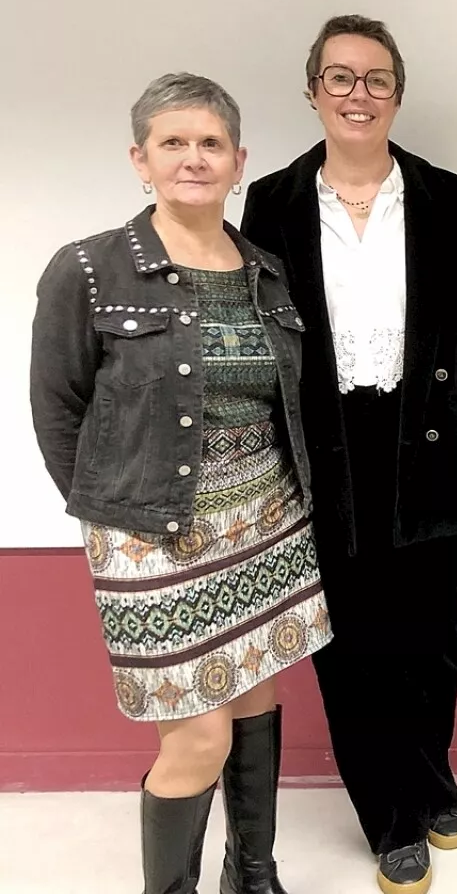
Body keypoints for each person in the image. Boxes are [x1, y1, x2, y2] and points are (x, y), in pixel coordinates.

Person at [239, 15, 457, 894]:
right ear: (313, 91)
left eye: (375, 79)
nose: (357, 94)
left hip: (428, 442)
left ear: (398, 93)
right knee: (352, 645)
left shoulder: (449, 196)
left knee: (435, 637)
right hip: (327, 454)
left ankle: (430, 778)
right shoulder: (275, 204)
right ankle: (392, 817)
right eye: (339, 77)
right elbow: (258, 343)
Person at [30, 73, 329, 894]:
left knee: (255, 702)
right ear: (140, 158)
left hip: (265, 524)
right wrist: (115, 519)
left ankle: (253, 875)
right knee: (196, 738)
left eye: (210, 144)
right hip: (151, 537)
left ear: (238, 160)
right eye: (173, 142)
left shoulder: (265, 269)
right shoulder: (89, 269)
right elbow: (58, 411)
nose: (193, 158)